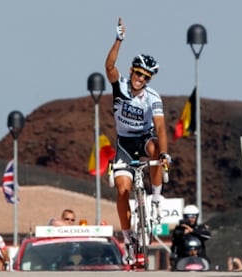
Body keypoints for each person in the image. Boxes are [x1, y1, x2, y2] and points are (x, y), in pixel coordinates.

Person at [105, 17, 171, 265]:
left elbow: (162, 127)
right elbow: (109, 66)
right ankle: (128, 239)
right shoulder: (120, 86)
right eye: (138, 73)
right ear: (132, 71)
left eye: (145, 77)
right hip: (123, 142)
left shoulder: (152, 97)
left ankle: (155, 199)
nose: (140, 79)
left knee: (156, 149)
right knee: (122, 191)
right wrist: (118, 40)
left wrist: (163, 154)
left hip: (144, 138)